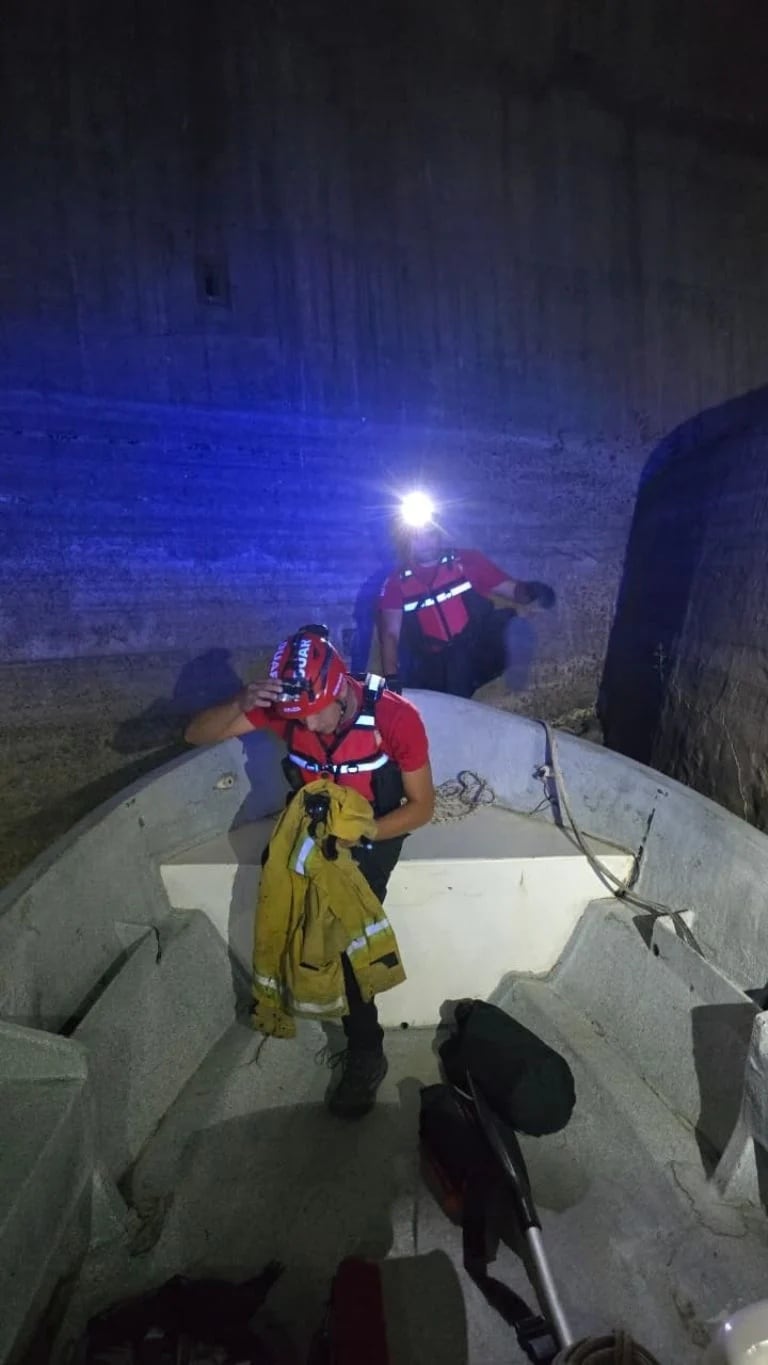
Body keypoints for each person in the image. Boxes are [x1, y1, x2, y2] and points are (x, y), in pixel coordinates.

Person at [184, 625, 434, 1118]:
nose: (308, 726)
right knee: (280, 903)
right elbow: (195, 734)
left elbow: (422, 807)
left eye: (316, 714)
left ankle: (367, 1051)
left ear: (342, 691)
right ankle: (285, 996)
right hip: (313, 824)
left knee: (340, 929)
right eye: (297, 717)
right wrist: (242, 701)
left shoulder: (395, 717)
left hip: (373, 829)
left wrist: (360, 834)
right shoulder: (290, 708)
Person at [378, 521, 555, 698]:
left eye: (429, 534)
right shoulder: (396, 583)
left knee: (511, 622)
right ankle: (458, 703)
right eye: (416, 537)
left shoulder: (467, 561)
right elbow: (390, 635)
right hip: (438, 665)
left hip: (479, 646)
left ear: (439, 534)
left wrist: (532, 591)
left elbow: (512, 590)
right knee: (450, 669)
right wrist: (392, 678)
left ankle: (519, 684)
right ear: (406, 541)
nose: (425, 543)